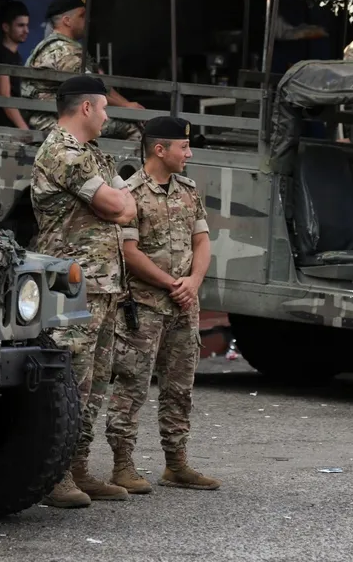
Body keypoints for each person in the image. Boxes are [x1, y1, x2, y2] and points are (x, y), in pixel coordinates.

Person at [31, 75, 137, 508]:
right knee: (69, 382)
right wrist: (117, 204)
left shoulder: (93, 153)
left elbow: (130, 210)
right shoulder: (63, 151)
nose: (109, 116)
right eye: (105, 108)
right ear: (87, 108)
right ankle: (52, 474)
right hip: (73, 286)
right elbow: (117, 205)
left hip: (103, 283)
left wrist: (118, 205)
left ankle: (77, 466)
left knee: (94, 384)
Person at [105, 116, 221, 494]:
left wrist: (193, 282)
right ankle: (122, 465)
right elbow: (128, 251)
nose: (189, 154)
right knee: (132, 385)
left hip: (183, 306)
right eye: (183, 147)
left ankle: (176, 463)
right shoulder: (130, 192)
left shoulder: (188, 189)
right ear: (160, 149)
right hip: (145, 305)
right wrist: (172, 283)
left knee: (180, 388)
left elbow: (202, 241)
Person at [21, 0, 143, 140]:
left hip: (64, 114)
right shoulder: (63, 50)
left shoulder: (63, 46)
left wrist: (126, 105)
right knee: (131, 129)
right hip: (51, 120)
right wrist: (126, 106)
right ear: (67, 21)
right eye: (82, 16)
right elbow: (92, 87)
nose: (87, 20)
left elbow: (99, 85)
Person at [0, 0, 30, 129]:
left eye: (27, 25)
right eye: (20, 25)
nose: (26, 30)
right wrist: (25, 129)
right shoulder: (1, 55)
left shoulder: (16, 56)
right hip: (4, 128)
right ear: (6, 27)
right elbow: (5, 97)